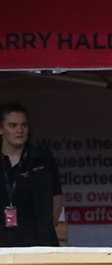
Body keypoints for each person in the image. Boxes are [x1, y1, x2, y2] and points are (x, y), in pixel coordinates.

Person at [0, 102, 63, 247]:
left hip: (37, 239)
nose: (20, 130)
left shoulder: (43, 158)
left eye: (24, 125)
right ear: (1, 129)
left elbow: (57, 196)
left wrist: (46, 228)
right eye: (13, 126)